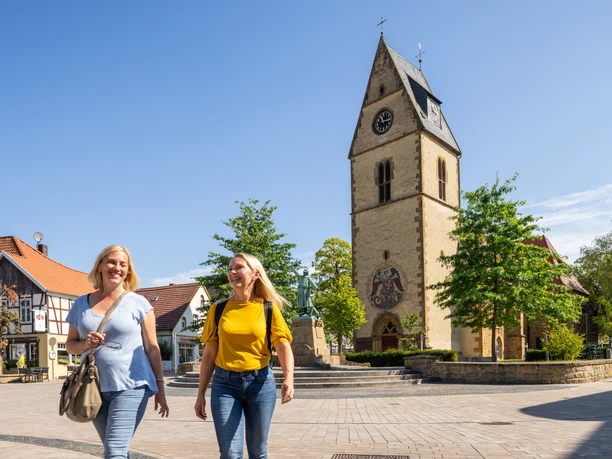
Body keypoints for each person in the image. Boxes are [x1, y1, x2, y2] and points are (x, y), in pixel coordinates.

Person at [66, 245, 169, 459]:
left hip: (132, 385)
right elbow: (70, 345)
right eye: (112, 262)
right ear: (101, 266)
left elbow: (152, 348)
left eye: (123, 264)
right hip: (93, 387)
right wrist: (85, 343)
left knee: (114, 451)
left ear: (128, 271)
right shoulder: (80, 304)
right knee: (115, 450)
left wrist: (160, 388)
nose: (117, 268)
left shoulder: (139, 303)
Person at [194, 252, 295, 459]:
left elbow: (283, 347)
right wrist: (200, 394)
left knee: (258, 452)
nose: (232, 272)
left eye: (239, 267)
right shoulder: (218, 309)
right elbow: (209, 355)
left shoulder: (268, 308)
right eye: (230, 269)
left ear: (255, 273)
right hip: (224, 384)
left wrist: (289, 378)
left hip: (261, 383)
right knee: (230, 453)